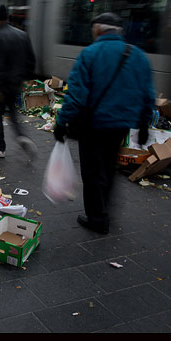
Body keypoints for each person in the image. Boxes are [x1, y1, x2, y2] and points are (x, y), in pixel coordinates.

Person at [53, 12, 155, 235]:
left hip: (93, 125)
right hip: (120, 126)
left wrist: (61, 122)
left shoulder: (90, 54)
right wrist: (145, 125)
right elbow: (147, 95)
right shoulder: (137, 55)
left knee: (91, 171)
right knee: (109, 167)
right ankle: (105, 208)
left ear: (98, 30)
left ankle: (97, 218)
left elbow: (76, 96)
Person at [0, 5, 38, 160]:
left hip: (1, 87)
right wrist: (22, 79)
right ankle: (23, 137)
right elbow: (31, 61)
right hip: (15, 84)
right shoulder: (22, 35)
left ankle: (0, 148)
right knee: (13, 114)